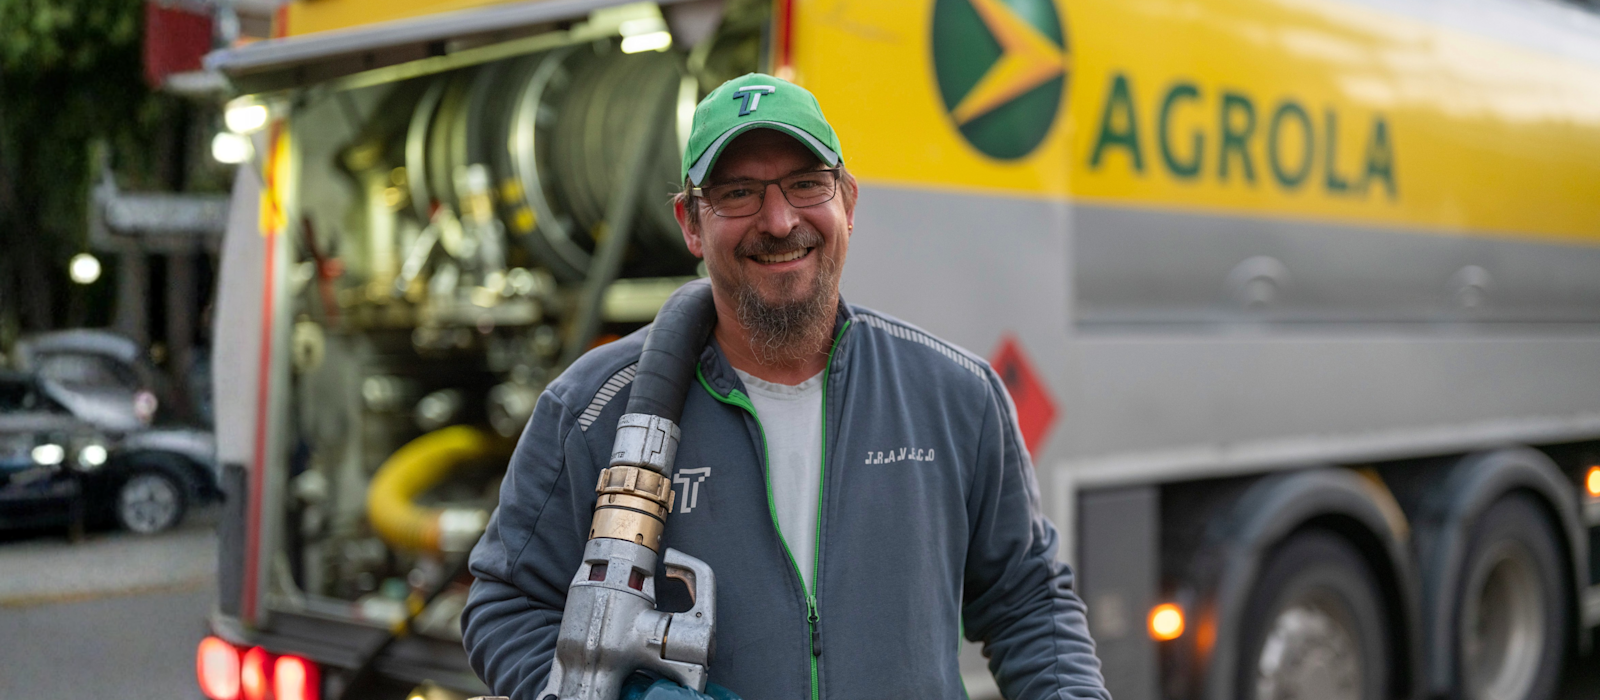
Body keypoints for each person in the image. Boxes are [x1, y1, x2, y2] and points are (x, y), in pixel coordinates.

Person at [463, 73, 1108, 700]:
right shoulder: (594, 408)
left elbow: (1028, 599)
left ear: (847, 202)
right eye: (739, 192)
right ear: (691, 222)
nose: (778, 221)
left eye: (806, 185)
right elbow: (506, 606)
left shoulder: (954, 396)